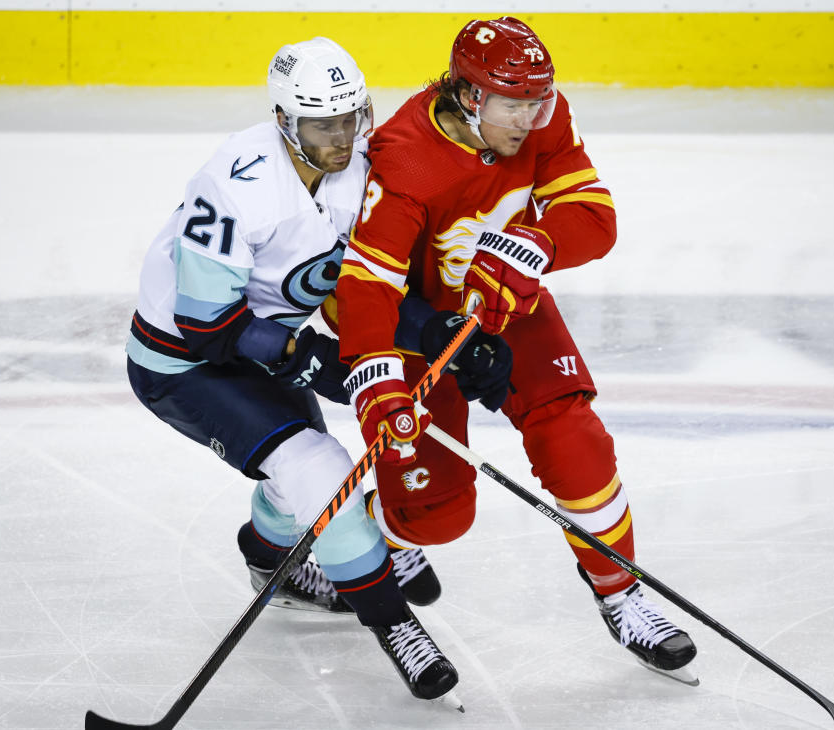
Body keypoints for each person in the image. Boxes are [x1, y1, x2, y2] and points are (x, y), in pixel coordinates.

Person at [334, 17, 699, 682]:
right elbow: (365, 285)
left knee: (575, 438)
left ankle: (621, 595)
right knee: (437, 515)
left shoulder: (544, 114)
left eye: (538, 101)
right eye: (513, 104)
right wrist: (375, 378)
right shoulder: (404, 156)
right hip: (421, 331)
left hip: (507, 300)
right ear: (470, 97)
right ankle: (373, 528)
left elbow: (594, 217)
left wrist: (539, 243)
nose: (529, 119)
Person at [125, 37, 457, 702]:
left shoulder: (364, 165)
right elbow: (207, 325)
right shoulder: (234, 185)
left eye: (351, 117)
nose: (342, 138)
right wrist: (305, 359)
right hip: (185, 363)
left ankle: (269, 555)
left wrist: (434, 328)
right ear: (285, 121)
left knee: (298, 471)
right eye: (323, 124)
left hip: (267, 339)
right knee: (318, 469)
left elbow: (374, 277)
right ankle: (393, 622)